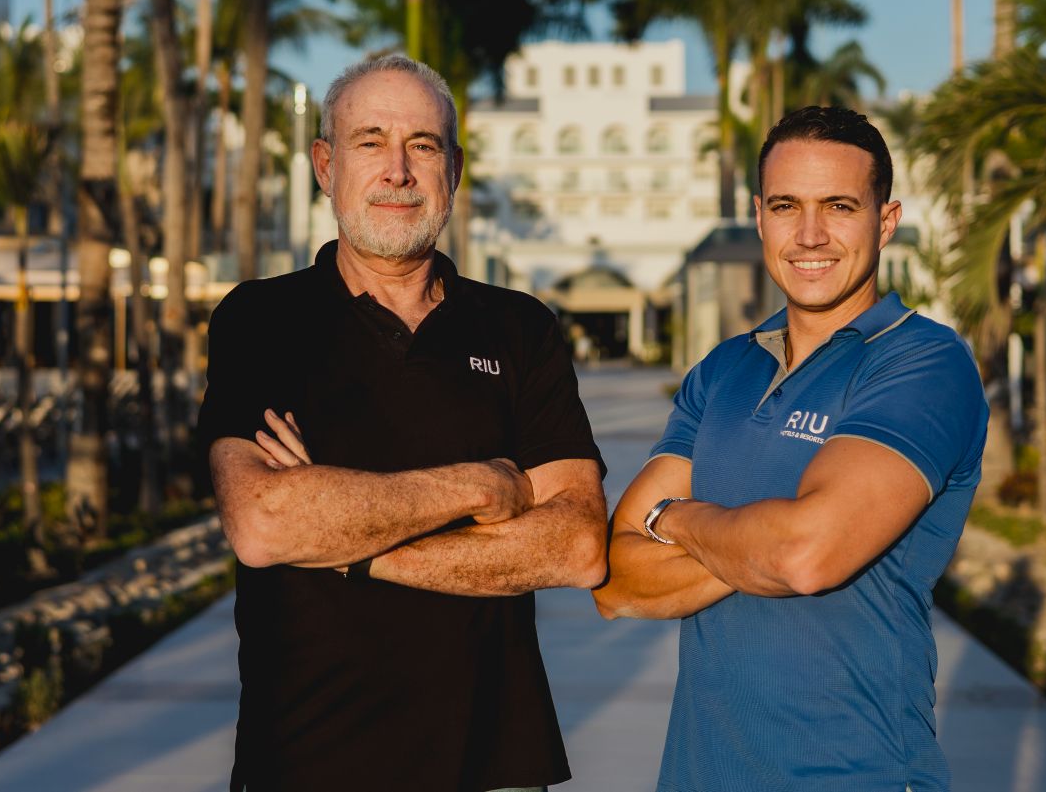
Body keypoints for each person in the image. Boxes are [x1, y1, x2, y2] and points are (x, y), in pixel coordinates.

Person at [200, 54, 608, 792]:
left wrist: (350, 546)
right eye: (370, 141)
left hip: (495, 768)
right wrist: (478, 483)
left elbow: (576, 543)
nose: (398, 170)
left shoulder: (520, 328)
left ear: (452, 168)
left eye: (422, 144)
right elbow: (262, 521)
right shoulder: (262, 320)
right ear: (325, 164)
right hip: (303, 764)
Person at [594, 106, 988, 792]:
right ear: (759, 216)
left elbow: (805, 556)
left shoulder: (922, 363)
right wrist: (765, 537)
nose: (810, 234)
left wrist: (677, 519)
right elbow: (615, 581)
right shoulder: (723, 369)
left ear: (885, 220)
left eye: (839, 206)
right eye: (786, 206)